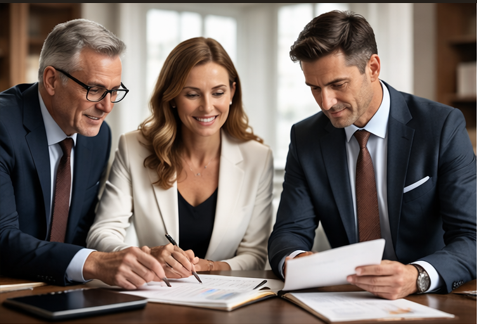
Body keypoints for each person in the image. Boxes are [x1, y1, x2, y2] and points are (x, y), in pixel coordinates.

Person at [268, 10, 476, 300]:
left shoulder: (441, 127)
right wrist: (295, 259)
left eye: (337, 85)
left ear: (373, 67)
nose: (326, 103)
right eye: (314, 88)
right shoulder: (306, 137)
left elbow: (471, 237)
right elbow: (288, 231)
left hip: (428, 297)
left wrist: (418, 276)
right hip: (350, 297)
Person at [0, 19, 168, 289]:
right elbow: (2, 238)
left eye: (114, 91)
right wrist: (96, 263)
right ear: (52, 80)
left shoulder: (98, 137)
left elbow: (80, 232)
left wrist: (140, 258)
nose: (107, 106)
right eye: (95, 89)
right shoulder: (3, 125)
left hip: (61, 290)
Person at [86, 37, 273, 276]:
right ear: (172, 96)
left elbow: (256, 255)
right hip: (157, 295)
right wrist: (147, 257)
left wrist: (212, 267)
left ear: (232, 93)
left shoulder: (258, 158)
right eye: (192, 95)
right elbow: (102, 233)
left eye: (217, 93)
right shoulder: (133, 147)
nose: (207, 107)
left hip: (226, 300)